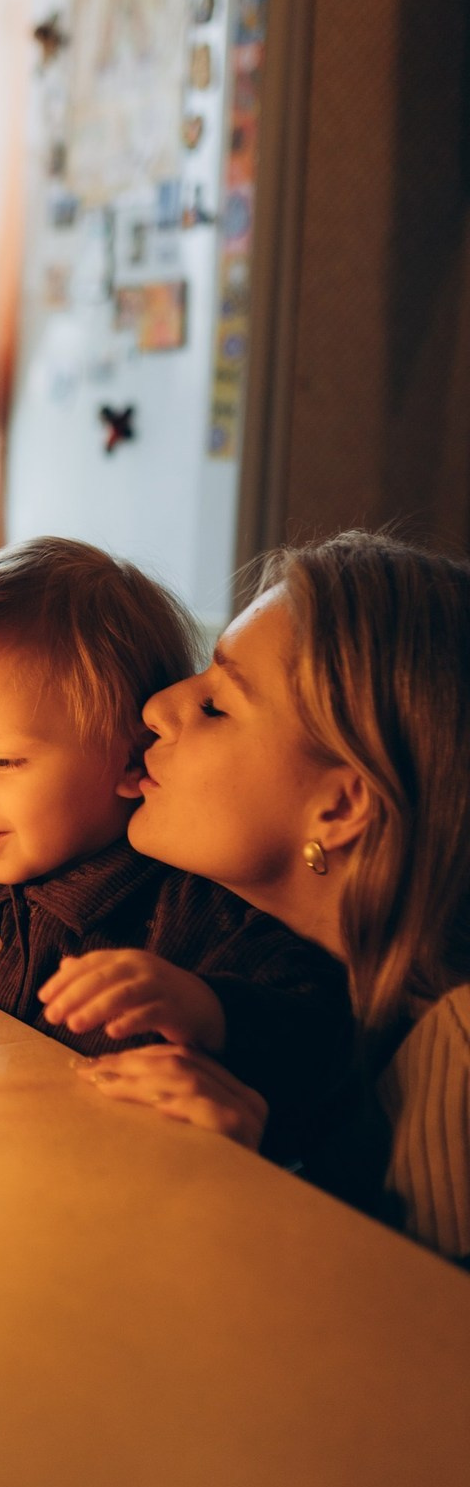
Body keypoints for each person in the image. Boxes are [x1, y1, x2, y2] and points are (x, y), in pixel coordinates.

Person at [0, 539, 360, 1174]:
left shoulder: (192, 906)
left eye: (4, 761)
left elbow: (314, 1027)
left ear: (128, 758)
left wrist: (210, 1009)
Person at [120, 531, 470, 1260]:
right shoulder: (248, 952)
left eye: (218, 706)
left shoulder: (455, 1055)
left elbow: (417, 1354)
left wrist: (263, 1186)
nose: (157, 707)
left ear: (341, 809)